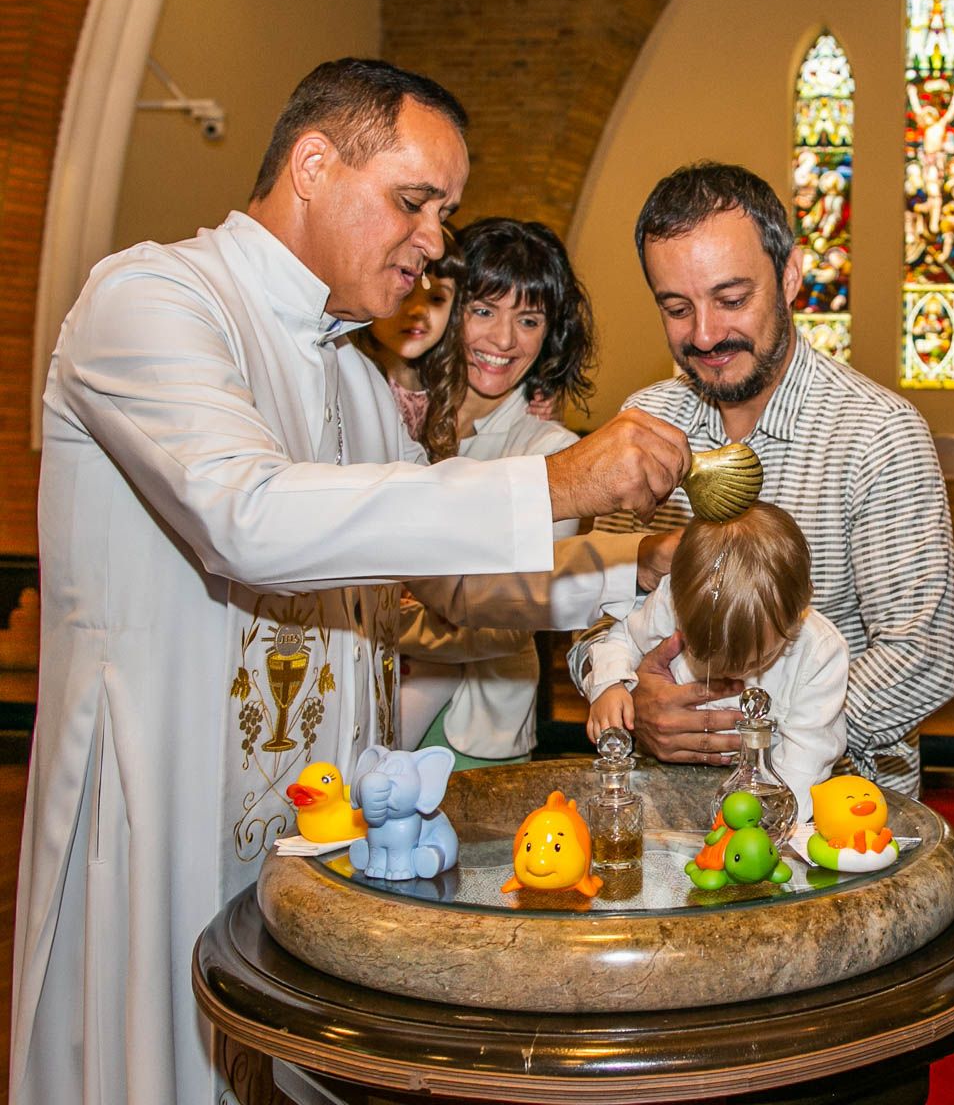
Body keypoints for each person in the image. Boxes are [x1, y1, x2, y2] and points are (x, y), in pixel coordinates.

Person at [15, 57, 691, 1105]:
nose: (436, 241)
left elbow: (450, 584)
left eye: (445, 213)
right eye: (414, 201)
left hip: (321, 837)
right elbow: (246, 518)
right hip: (170, 808)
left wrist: (631, 565)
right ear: (313, 164)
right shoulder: (152, 300)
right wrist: (560, 481)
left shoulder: (356, 382)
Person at [582, 162, 954, 798]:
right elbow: (597, 618)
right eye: (677, 308)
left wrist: (754, 738)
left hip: (832, 808)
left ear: (789, 276)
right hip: (665, 802)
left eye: (731, 300)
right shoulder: (642, 426)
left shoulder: (877, 433)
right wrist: (629, 696)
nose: (705, 334)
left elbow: (920, 660)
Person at [396, 217, 607, 768]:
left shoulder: (552, 452)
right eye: (484, 310)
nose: (505, 340)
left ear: (550, 334)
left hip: (474, 732)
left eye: (529, 319)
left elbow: (505, 622)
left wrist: (378, 615)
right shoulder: (396, 413)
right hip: (366, 697)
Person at [580, 502, 849, 823]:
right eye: (707, 654)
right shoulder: (670, 603)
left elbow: (806, 759)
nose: (730, 672)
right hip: (661, 787)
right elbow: (623, 636)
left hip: (758, 798)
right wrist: (610, 684)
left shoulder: (819, 653)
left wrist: (765, 820)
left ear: (798, 611)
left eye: (756, 660)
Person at [349, 229, 458, 439]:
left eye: (436, 298)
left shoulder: (445, 383)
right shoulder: (354, 383)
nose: (418, 310)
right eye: (404, 294)